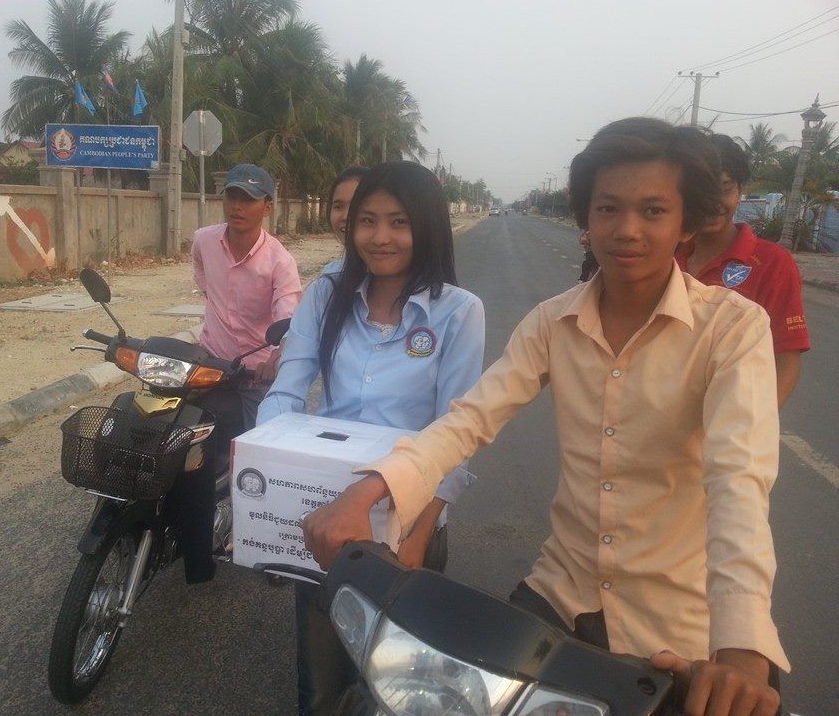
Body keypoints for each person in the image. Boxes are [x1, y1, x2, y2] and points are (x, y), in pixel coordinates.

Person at [304, 118, 788, 716]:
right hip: (562, 593)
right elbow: (468, 420)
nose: (628, 229)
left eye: (653, 211)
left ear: (686, 223)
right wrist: (370, 490)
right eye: (608, 208)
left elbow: (738, 479)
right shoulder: (551, 323)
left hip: (686, 621)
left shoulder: (734, 328)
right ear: (585, 219)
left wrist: (741, 648)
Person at [258, 161, 486, 715]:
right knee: (320, 679)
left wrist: (416, 539)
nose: (380, 237)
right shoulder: (326, 293)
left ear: (426, 226)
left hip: (410, 515)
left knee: (395, 683)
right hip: (330, 511)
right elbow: (287, 390)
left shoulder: (459, 312)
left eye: (399, 222)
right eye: (367, 221)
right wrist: (264, 475)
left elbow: (453, 435)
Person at [177, 163, 302, 584]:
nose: (238, 206)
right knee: (182, 439)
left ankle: (273, 546)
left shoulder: (280, 261)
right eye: (232, 196)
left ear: (267, 206)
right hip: (211, 363)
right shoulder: (204, 240)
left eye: (249, 199)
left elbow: (289, 318)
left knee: (264, 462)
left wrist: (276, 355)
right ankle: (189, 535)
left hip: (255, 373)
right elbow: (202, 280)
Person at [676, 133, 810, 406]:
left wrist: (755, 423)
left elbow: (786, 360)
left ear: (740, 190)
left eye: (724, 188)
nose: (713, 202)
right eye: (701, 191)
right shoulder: (666, 256)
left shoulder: (772, 262)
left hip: (731, 415)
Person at [321, 166, 369, 275]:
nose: (345, 217)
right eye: (338, 207)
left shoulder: (393, 278)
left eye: (356, 206)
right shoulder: (330, 275)